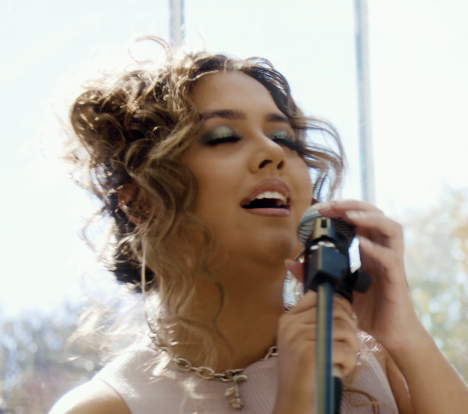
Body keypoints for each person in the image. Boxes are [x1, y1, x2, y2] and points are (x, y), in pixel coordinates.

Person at [50, 37, 468, 414]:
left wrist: (408, 338)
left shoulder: (378, 361)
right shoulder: (104, 407)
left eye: (284, 138)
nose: (273, 151)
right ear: (142, 202)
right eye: (223, 136)